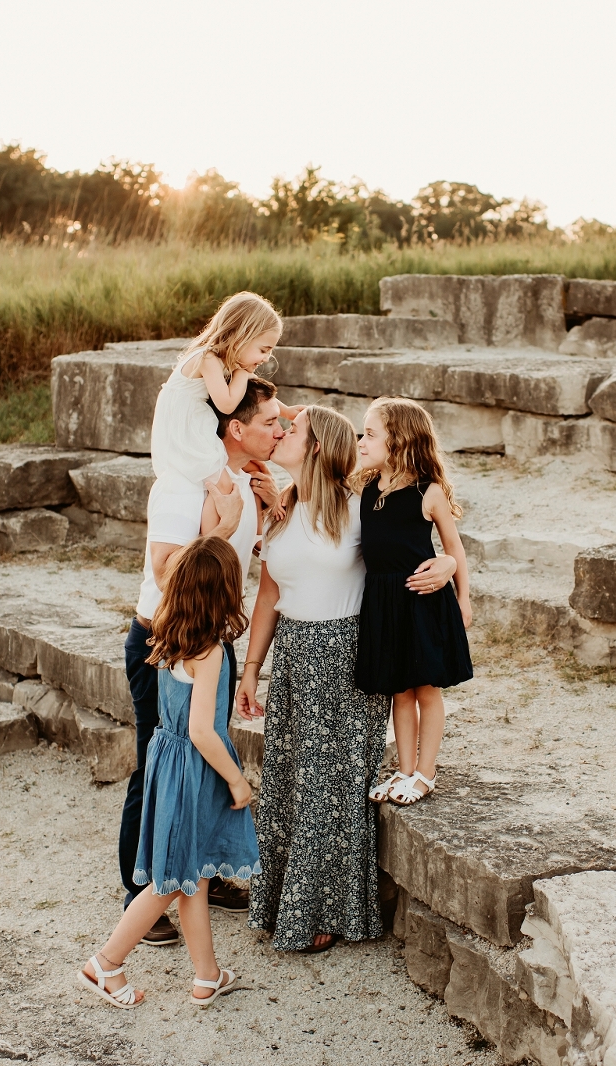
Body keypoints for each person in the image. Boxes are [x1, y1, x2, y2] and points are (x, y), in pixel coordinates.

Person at [237, 406, 457, 953]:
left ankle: (326, 912)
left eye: (292, 429)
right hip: (292, 656)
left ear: (316, 447)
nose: (281, 433)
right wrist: (252, 668)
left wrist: (449, 565)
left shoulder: (361, 505)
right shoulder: (282, 508)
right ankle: (283, 902)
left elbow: (414, 537)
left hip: (346, 656)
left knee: (329, 791)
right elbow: (268, 594)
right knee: (288, 782)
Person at [118, 377, 285, 947]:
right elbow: (167, 571)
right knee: (157, 763)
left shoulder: (245, 480)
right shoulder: (181, 485)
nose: (279, 431)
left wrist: (268, 514)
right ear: (235, 428)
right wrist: (224, 527)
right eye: (269, 422)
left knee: (207, 759)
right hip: (164, 639)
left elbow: (243, 559)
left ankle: (200, 875)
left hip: (214, 636)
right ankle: (140, 896)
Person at [79, 536, 260, 1009]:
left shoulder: (169, 635)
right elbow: (201, 730)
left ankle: (207, 975)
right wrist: (236, 779)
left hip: (169, 762)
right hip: (193, 769)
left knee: (191, 873)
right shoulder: (210, 651)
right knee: (173, 880)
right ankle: (106, 964)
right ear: (223, 593)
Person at [354, 397, 473, 807]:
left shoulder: (429, 491)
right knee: (398, 692)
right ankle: (404, 770)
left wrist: (464, 599)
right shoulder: (365, 486)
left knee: (425, 689)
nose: (361, 441)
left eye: (370, 434)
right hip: (383, 603)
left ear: (399, 440)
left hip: (421, 602)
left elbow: (454, 548)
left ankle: (426, 772)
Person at [150, 291, 298, 497]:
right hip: (186, 427)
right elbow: (226, 405)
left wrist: (287, 411)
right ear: (240, 338)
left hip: (198, 422)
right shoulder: (208, 358)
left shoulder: (230, 361)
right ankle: (214, 519)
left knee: (253, 469)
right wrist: (242, 373)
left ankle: (256, 513)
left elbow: (257, 392)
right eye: (264, 350)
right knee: (221, 483)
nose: (266, 358)